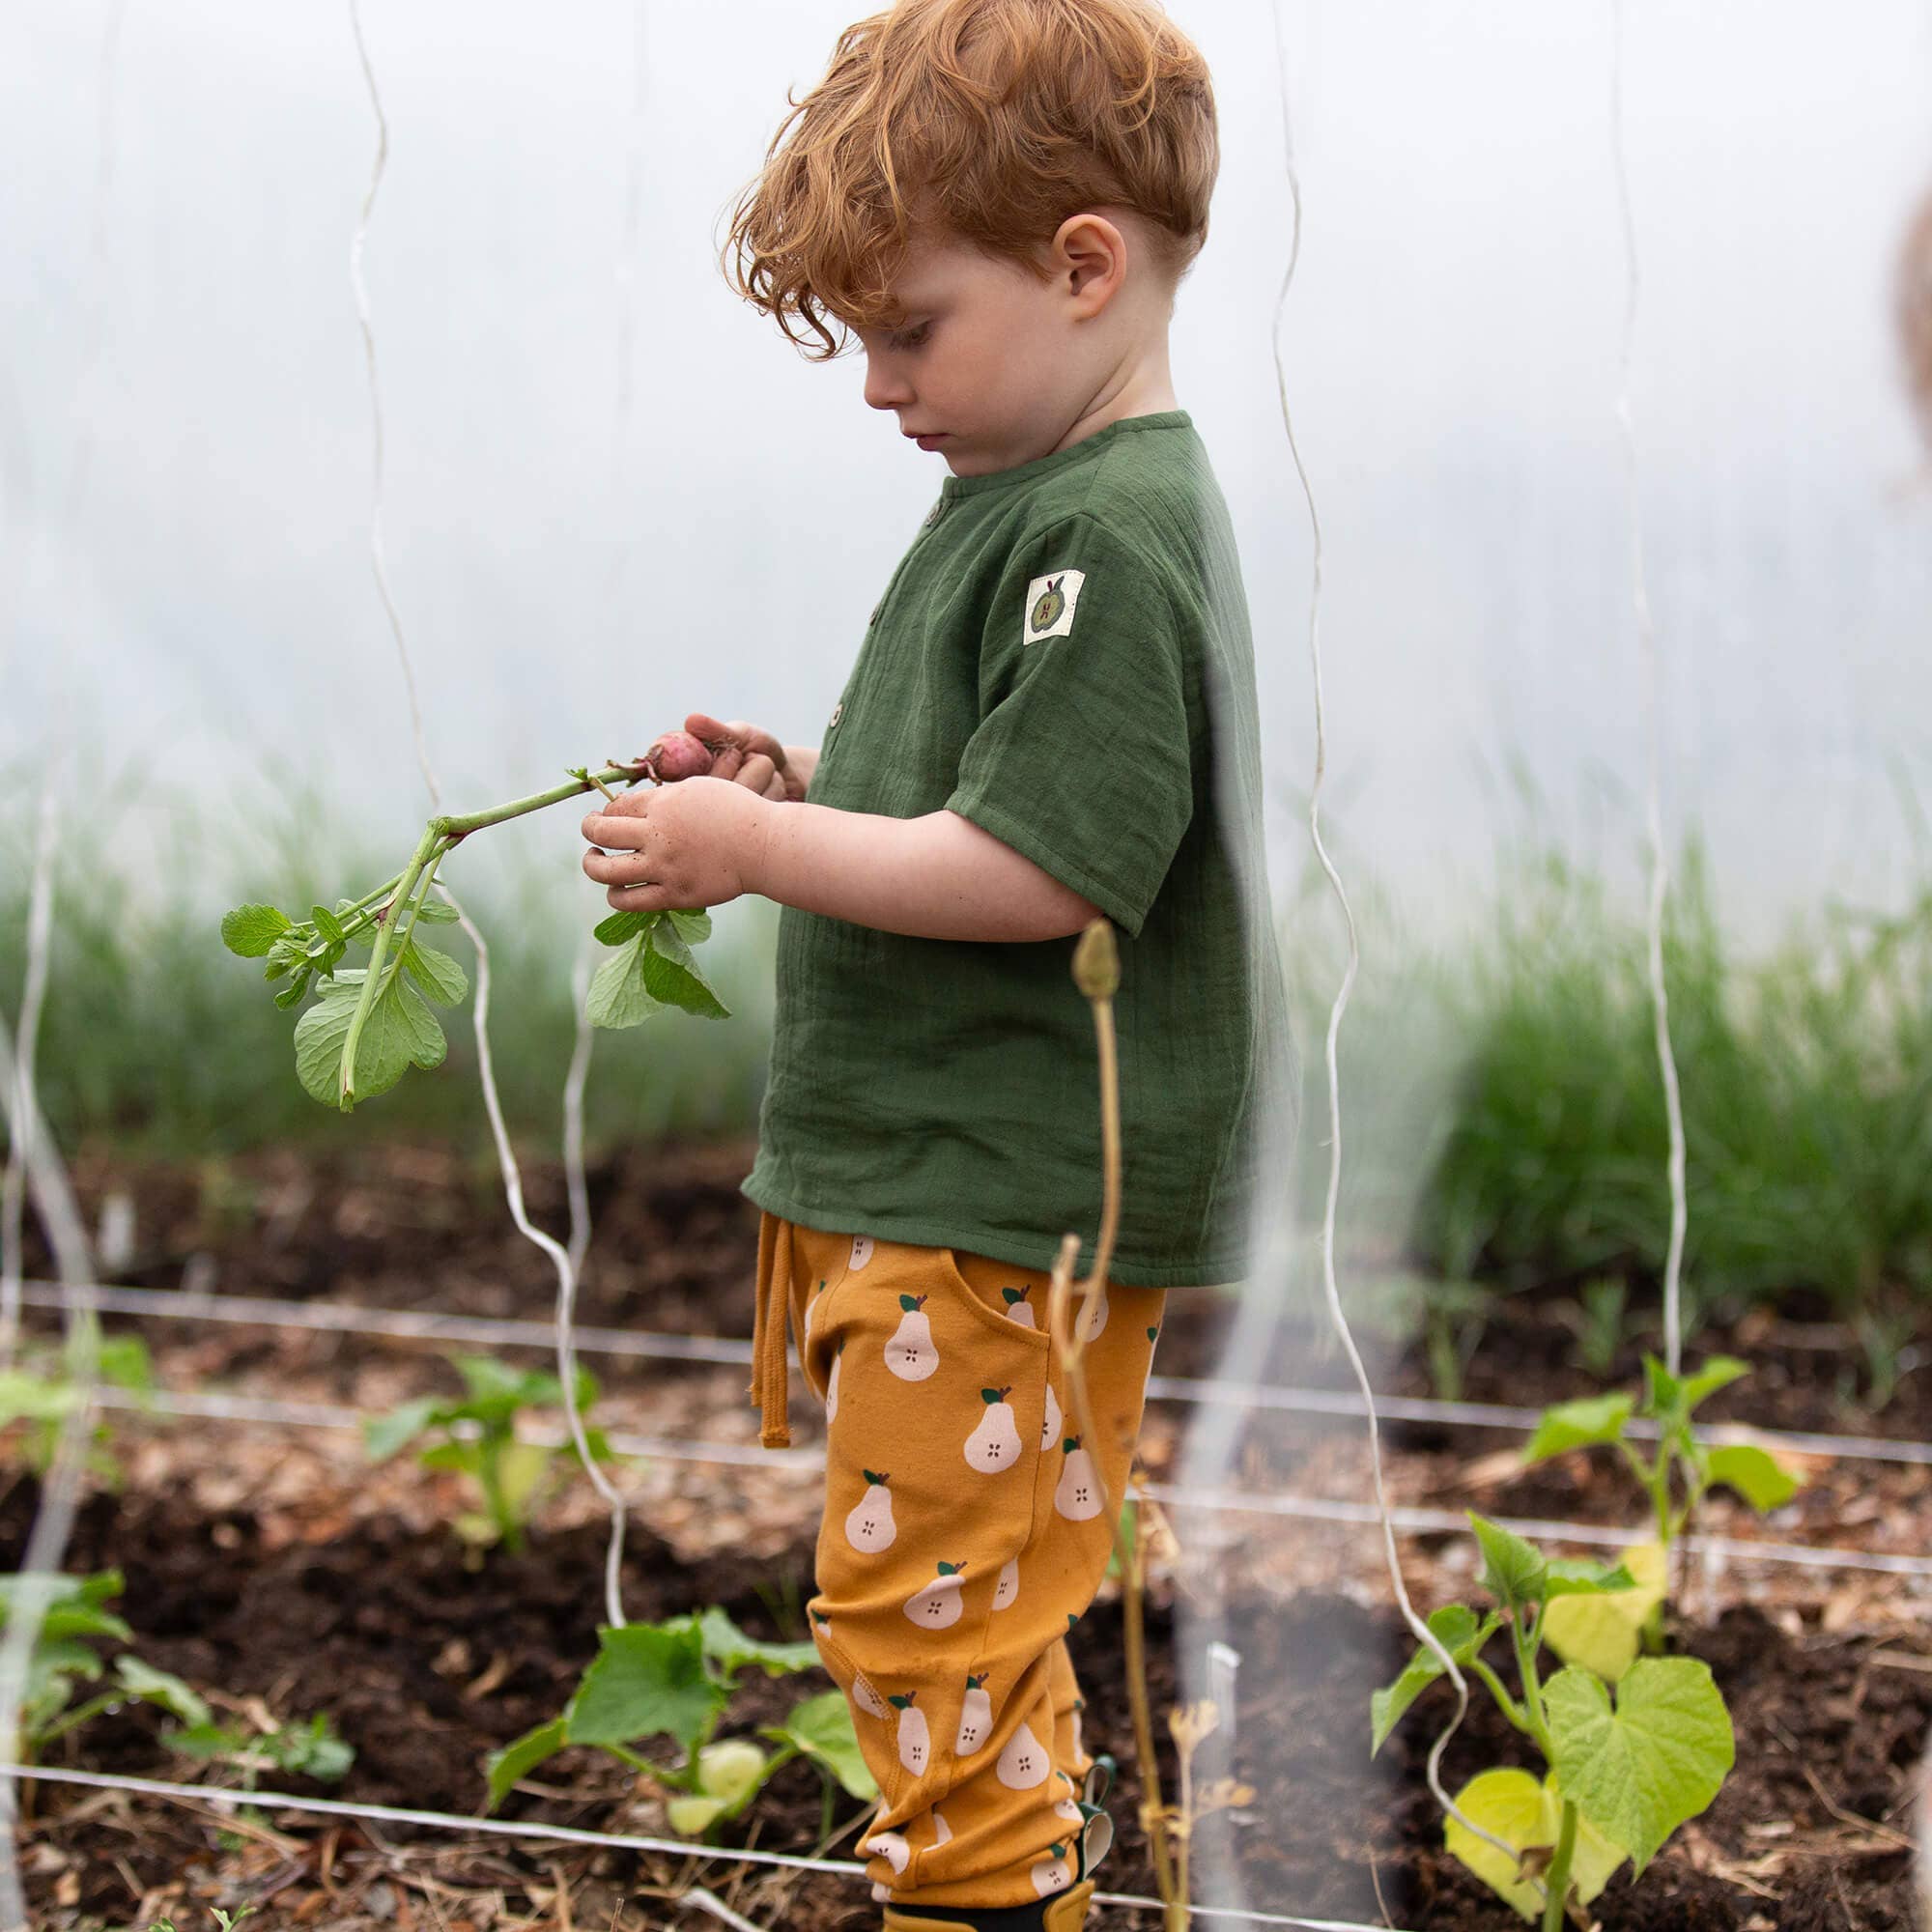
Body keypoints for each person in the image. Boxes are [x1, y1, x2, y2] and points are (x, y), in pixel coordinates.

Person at [579, 2, 1293, 1923]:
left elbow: (1041, 866)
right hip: (953, 1196)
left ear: (1081, 267)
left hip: (1003, 1208)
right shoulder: (1026, 506)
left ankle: (977, 1911)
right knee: (968, 1609)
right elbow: (968, 796)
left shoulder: (1106, 538)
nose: (880, 383)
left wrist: (750, 847)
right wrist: (797, 785)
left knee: (926, 1621)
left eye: (908, 326)